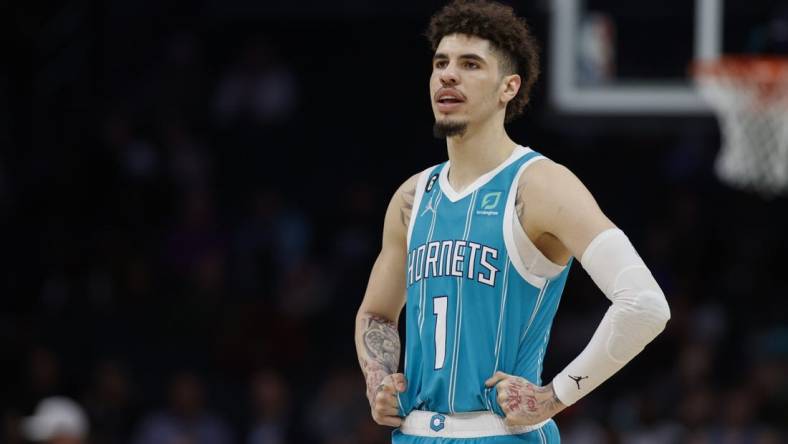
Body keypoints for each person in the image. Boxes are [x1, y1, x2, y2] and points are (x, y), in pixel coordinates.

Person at [353, 1, 672, 443]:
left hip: (503, 432)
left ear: (509, 87)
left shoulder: (540, 185)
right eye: (440, 63)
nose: (448, 75)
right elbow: (377, 314)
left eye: (470, 65)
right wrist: (378, 379)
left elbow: (645, 304)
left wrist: (553, 396)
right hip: (415, 432)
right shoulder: (411, 197)